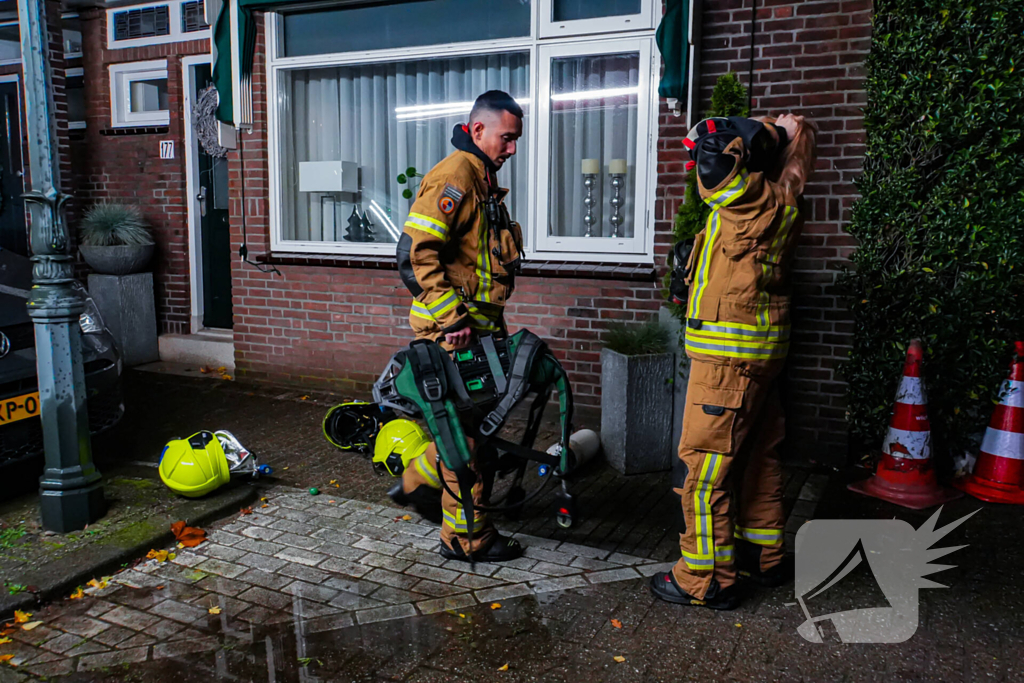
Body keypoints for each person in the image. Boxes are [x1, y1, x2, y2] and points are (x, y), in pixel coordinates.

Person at [650, 113, 817, 610]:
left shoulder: (750, 202)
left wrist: (759, 131)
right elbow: (797, 145)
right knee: (759, 454)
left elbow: (712, 160)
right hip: (761, 356)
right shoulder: (785, 196)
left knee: (703, 473)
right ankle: (763, 554)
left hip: (726, 362)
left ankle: (705, 578)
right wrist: (786, 135)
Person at [388, 90, 525, 563]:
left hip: (478, 332)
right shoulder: (455, 177)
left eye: (515, 141)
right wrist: (452, 321)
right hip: (454, 334)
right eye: (507, 139)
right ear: (479, 129)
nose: (512, 149)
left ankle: (420, 488)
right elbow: (413, 254)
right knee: (470, 443)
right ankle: (466, 538)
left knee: (471, 437)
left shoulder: (482, 179)